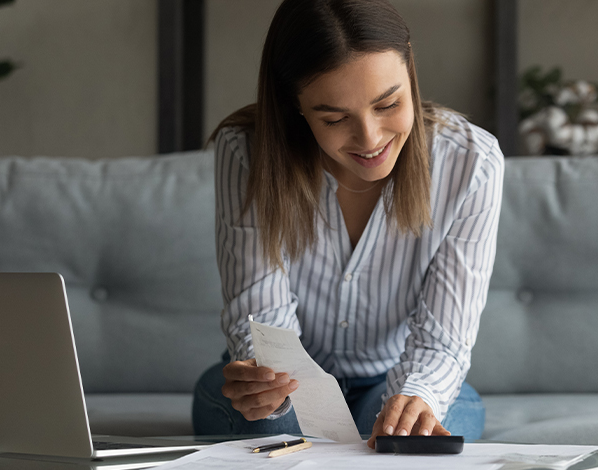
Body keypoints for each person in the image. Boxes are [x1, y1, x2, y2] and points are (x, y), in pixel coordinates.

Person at [192, 0, 504, 448]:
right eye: (335, 118)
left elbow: (442, 342)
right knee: (272, 428)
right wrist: (269, 391)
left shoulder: (472, 163)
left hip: (397, 375)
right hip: (290, 382)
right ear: (294, 104)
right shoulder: (246, 152)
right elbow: (263, 328)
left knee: (409, 438)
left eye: (388, 103)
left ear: (410, 71)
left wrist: (415, 397)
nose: (371, 139)